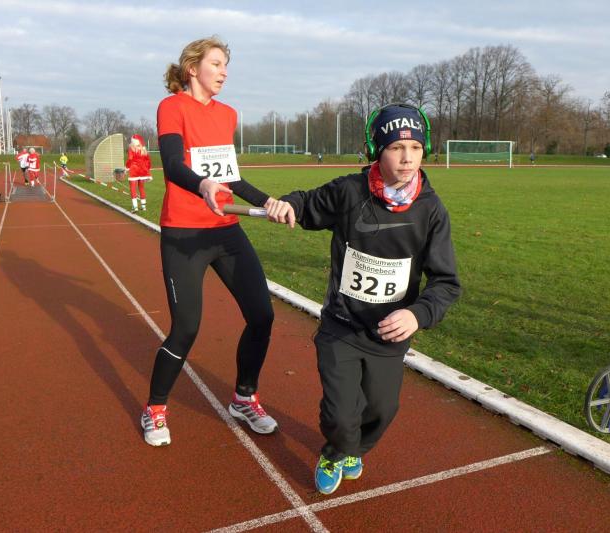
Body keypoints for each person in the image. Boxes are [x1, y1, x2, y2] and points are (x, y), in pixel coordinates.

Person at [266, 103, 461, 494]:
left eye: (415, 148)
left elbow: (446, 282)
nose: (407, 158)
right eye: (396, 148)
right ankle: (335, 450)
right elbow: (307, 203)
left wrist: (417, 315)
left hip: (389, 335)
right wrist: (287, 203)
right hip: (342, 327)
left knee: (382, 410)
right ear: (376, 150)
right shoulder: (350, 191)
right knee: (340, 414)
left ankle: (353, 448)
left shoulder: (431, 210)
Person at [141, 36, 291, 446]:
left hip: (225, 231)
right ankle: (155, 408)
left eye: (226, 65)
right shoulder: (171, 107)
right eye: (217, 64)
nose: (224, 72)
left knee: (261, 315)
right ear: (193, 68)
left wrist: (267, 202)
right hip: (184, 234)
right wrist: (202, 184)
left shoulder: (227, 114)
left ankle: (244, 398)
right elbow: (173, 165)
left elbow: (230, 176)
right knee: (186, 328)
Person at [125, 134, 152, 213]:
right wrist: (147, 170)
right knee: (141, 189)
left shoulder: (131, 148)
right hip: (142, 172)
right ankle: (143, 207)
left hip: (134, 171)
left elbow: (130, 159)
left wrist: (126, 167)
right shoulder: (144, 149)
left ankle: (135, 207)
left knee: (133, 189)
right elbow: (148, 161)